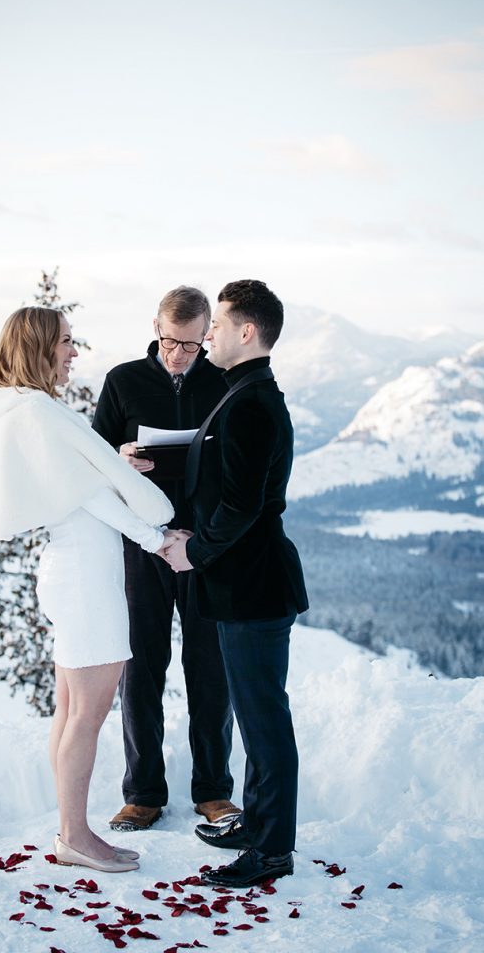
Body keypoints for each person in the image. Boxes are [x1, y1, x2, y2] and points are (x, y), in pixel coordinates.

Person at [0, 305, 176, 873]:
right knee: (86, 713)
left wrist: (107, 463)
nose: (74, 351)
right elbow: (90, 496)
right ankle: (75, 836)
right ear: (38, 346)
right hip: (86, 580)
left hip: (70, 572)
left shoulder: (26, 411)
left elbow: (73, 479)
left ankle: (72, 830)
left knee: (70, 710)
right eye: (65, 341)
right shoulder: (40, 413)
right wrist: (157, 538)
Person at [164, 280, 309, 888]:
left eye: (218, 326)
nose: (210, 336)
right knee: (253, 714)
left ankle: (273, 851)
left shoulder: (251, 402)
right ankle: (259, 824)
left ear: (247, 332)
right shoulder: (245, 392)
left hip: (253, 587)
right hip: (241, 586)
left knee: (263, 718)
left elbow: (242, 506)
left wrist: (192, 550)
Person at [92, 286, 239, 832]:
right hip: (144, 544)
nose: (178, 355)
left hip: (203, 546)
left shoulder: (222, 381)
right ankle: (143, 794)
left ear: (207, 336)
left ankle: (213, 791)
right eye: (169, 341)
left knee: (209, 669)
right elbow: (95, 459)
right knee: (143, 667)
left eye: (191, 345)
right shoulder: (123, 380)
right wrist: (121, 460)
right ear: (155, 326)